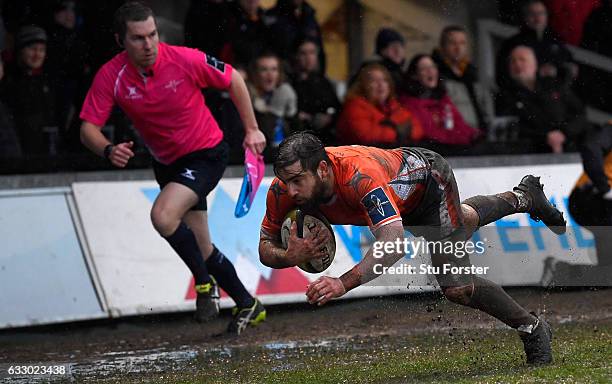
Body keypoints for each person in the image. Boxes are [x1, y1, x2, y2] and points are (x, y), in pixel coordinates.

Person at [259, 132, 567, 364]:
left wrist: (343, 282)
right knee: (461, 222)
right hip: (401, 196)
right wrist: (289, 256)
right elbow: (264, 246)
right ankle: (524, 196)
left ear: (323, 170)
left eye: (298, 180)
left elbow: (393, 245)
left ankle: (532, 328)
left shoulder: (359, 177)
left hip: (429, 180)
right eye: (286, 181)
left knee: (457, 287)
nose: (291, 190)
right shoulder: (283, 189)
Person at [79, 2, 267, 335]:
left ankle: (204, 286)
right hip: (167, 164)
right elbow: (87, 129)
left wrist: (251, 129)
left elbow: (234, 79)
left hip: (207, 154)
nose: (148, 44)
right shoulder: (113, 75)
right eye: (138, 38)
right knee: (202, 246)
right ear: (121, 40)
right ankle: (248, 303)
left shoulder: (183, 58)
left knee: (162, 216)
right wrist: (107, 150)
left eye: (152, 35)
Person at [495, 46, 589, 153]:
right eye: (513, 61)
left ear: (534, 64)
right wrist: (545, 137)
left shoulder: (553, 85)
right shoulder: (505, 95)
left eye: (522, 59)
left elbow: (580, 113)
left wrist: (564, 133)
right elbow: (510, 129)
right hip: (530, 156)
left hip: (570, 148)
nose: (517, 64)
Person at [399, 54, 481, 152]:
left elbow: (460, 125)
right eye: (424, 68)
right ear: (414, 75)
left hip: (453, 151)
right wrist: (462, 138)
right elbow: (430, 135)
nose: (430, 71)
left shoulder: (443, 99)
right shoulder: (409, 103)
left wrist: (474, 135)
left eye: (433, 67)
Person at [3, 25, 59, 157]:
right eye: (32, 49)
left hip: (46, 153)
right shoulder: (9, 83)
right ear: (20, 51)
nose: (37, 54)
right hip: (18, 153)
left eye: (41, 50)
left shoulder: (48, 82)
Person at [336, 63, 422, 147]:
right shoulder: (354, 106)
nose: (380, 85)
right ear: (363, 85)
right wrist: (397, 133)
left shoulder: (394, 105)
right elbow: (366, 136)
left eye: (384, 80)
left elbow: (417, 128)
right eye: (374, 80)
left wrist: (399, 132)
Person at [496, 0, 575, 88]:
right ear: (525, 17)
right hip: (526, 94)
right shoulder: (514, 44)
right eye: (532, 14)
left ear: (547, 16)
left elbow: (570, 65)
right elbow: (504, 74)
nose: (537, 18)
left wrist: (556, 71)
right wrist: (537, 73)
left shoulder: (555, 41)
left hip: (555, 93)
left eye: (541, 13)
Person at [432, 25, 489, 131]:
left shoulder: (473, 73)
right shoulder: (435, 73)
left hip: (478, 135)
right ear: (442, 46)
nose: (458, 48)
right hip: (453, 136)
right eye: (453, 43)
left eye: (462, 43)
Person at [290, 37, 340, 145]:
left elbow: (337, 107)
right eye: (303, 53)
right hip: (300, 139)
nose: (308, 58)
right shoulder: (290, 83)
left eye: (312, 53)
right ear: (296, 56)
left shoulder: (323, 82)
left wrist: (329, 117)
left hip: (326, 137)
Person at [247, 51, 297, 159]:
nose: (270, 74)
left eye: (274, 69)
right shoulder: (247, 101)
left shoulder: (285, 94)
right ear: (255, 74)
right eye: (264, 69)